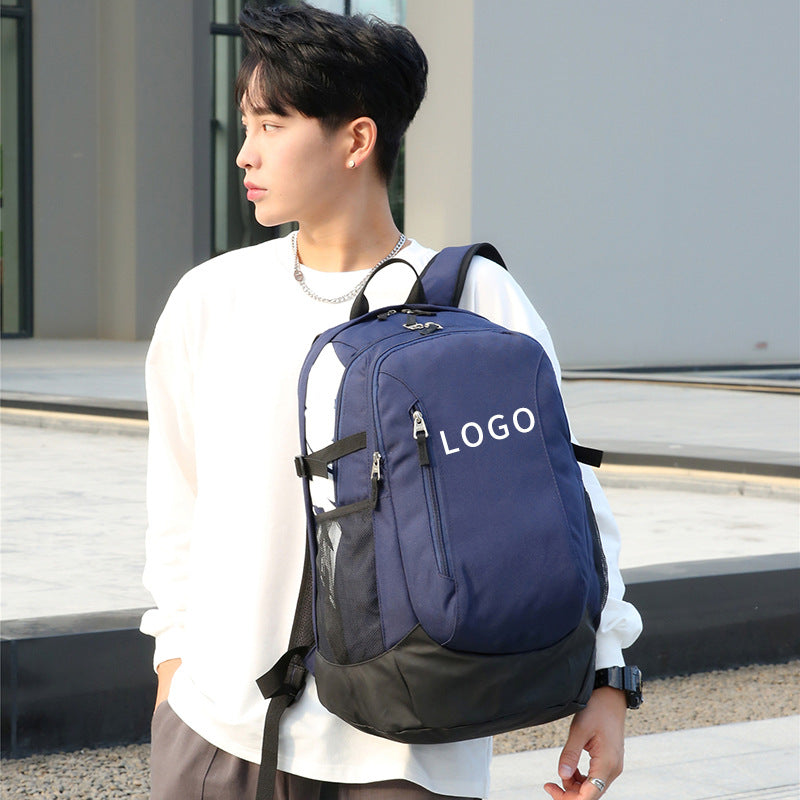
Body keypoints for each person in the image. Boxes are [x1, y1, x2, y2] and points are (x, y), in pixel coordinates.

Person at [140, 4, 643, 799]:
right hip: (224, 733)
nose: (245, 152)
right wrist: (173, 671)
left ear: (356, 139)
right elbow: (178, 505)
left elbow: (568, 499)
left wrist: (609, 679)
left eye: (271, 125)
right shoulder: (212, 299)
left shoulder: (473, 297)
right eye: (247, 125)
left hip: (411, 750)